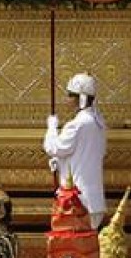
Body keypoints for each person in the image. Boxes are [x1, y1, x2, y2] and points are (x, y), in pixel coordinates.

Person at [43, 72, 107, 228]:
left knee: (74, 248)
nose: (68, 100)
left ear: (81, 98)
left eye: (71, 95)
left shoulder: (77, 124)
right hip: (95, 200)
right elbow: (81, 153)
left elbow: (53, 147)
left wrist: (52, 127)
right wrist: (61, 162)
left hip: (78, 201)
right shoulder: (99, 124)